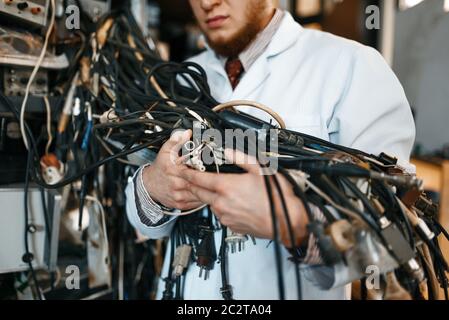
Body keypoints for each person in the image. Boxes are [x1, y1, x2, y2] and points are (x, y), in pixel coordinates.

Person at [125, 0, 416, 299]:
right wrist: (153, 188)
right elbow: (142, 222)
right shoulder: (178, 77)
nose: (207, 3)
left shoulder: (352, 66)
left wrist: (296, 224)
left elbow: (393, 230)